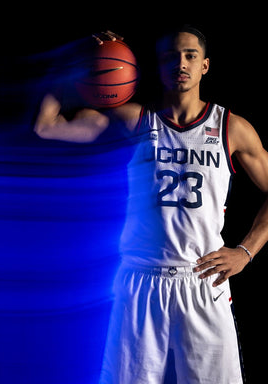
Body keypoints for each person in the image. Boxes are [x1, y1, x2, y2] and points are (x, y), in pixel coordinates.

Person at [34, 26, 268, 383]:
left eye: (190, 55)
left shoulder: (231, 128)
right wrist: (72, 60)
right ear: (158, 67)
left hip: (203, 280)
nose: (181, 63)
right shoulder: (135, 120)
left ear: (205, 66)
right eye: (171, 56)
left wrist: (246, 252)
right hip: (140, 281)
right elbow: (46, 126)